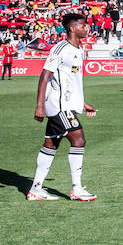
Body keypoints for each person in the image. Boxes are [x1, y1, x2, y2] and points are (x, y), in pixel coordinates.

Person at [27, 12, 97, 202]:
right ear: (72, 28)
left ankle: (35, 189)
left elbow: (69, 82)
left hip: (67, 105)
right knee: (79, 140)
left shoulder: (78, 50)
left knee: (50, 145)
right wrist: (39, 106)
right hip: (59, 107)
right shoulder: (60, 49)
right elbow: (44, 76)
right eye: (83, 25)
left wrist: (82, 103)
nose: (86, 28)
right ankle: (76, 189)